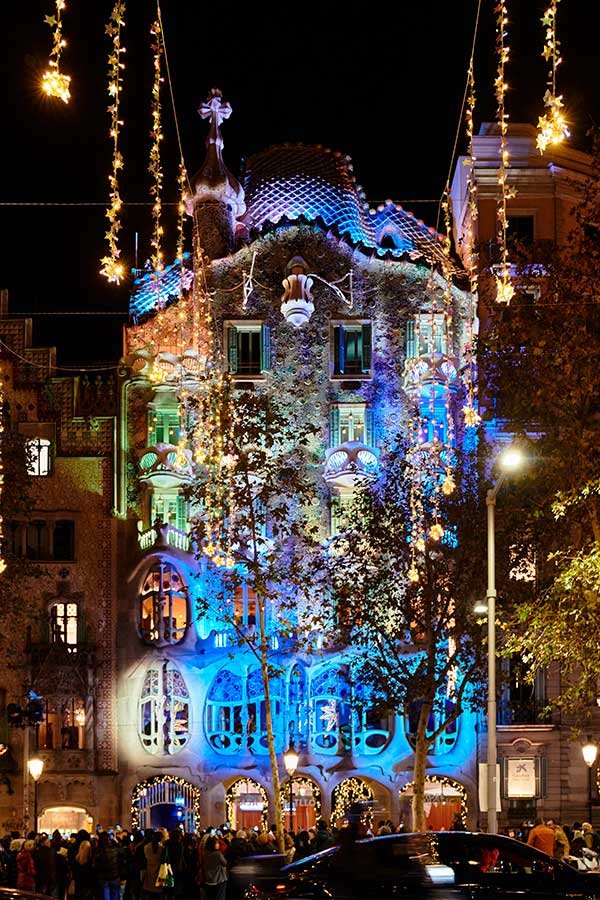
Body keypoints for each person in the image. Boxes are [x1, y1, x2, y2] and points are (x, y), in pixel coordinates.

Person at [95, 830, 123, 900]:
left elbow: (96, 866)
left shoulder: (98, 851)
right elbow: (122, 853)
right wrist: (117, 842)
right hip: (115, 876)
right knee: (116, 896)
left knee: (105, 897)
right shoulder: (115, 849)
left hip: (103, 878)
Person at [202, 835, 227, 900]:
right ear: (212, 844)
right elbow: (225, 863)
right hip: (219, 879)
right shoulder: (218, 854)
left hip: (208, 879)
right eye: (216, 843)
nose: (218, 844)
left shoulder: (205, 853)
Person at [142, 831, 164, 899]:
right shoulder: (162, 848)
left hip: (149, 871)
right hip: (158, 872)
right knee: (158, 895)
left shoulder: (146, 847)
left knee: (149, 893)